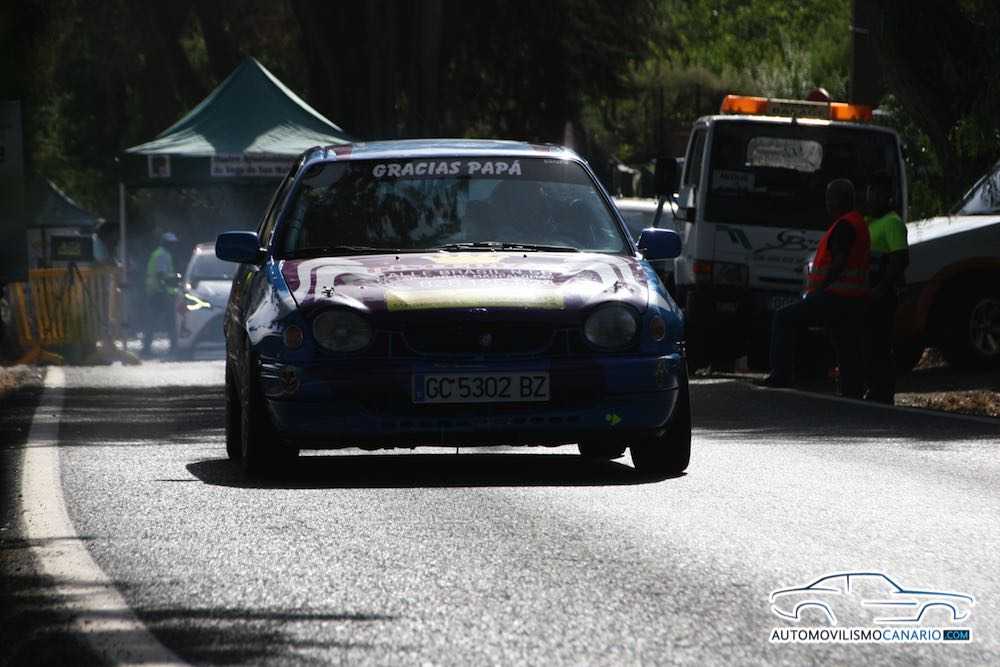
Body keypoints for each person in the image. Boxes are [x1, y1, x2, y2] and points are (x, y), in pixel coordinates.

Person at [762, 179, 871, 397]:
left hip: (834, 296)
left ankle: (780, 375)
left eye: (830, 198)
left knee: (783, 318)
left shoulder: (844, 226)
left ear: (839, 200)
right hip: (853, 298)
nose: (827, 203)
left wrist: (820, 288)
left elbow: (839, 261)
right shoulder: (857, 223)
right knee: (845, 343)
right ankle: (852, 390)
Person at [864, 173, 909, 403]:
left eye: (877, 194)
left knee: (880, 343)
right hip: (868, 293)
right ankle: (873, 387)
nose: (872, 198)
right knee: (870, 342)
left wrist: (882, 287)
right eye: (870, 192)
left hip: (882, 293)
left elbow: (900, 259)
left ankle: (883, 393)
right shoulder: (868, 222)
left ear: (888, 196)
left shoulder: (893, 223)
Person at [143, 232, 180, 356]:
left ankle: (146, 348)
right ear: (166, 243)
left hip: (157, 292)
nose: (174, 246)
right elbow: (161, 274)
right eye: (171, 243)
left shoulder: (161, 253)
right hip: (160, 293)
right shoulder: (162, 255)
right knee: (169, 321)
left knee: (152, 321)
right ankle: (173, 348)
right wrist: (168, 286)